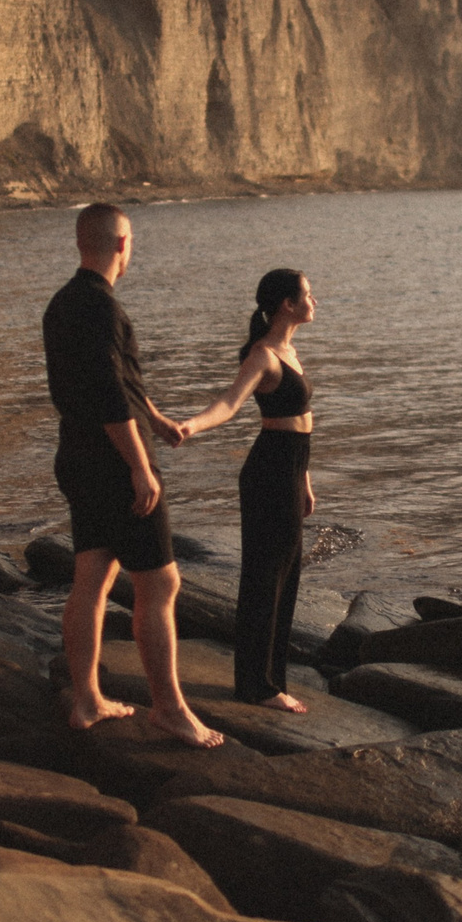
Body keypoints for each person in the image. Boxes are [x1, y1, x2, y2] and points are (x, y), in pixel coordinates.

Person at [40, 203, 222, 747]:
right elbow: (107, 394)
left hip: (75, 456)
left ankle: (88, 699)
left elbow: (116, 379)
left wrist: (158, 418)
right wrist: (140, 466)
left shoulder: (63, 303)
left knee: (92, 576)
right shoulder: (102, 308)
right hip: (113, 463)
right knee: (160, 582)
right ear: (122, 244)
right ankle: (169, 709)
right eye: (132, 241)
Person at [178, 267, 317, 711]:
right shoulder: (263, 356)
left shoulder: (290, 351)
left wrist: (306, 482)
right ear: (287, 305)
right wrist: (192, 425)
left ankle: (271, 680)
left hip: (290, 471)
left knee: (286, 577)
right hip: (269, 471)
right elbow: (229, 403)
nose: (315, 301)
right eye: (308, 294)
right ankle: (256, 686)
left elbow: (302, 423)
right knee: (264, 579)